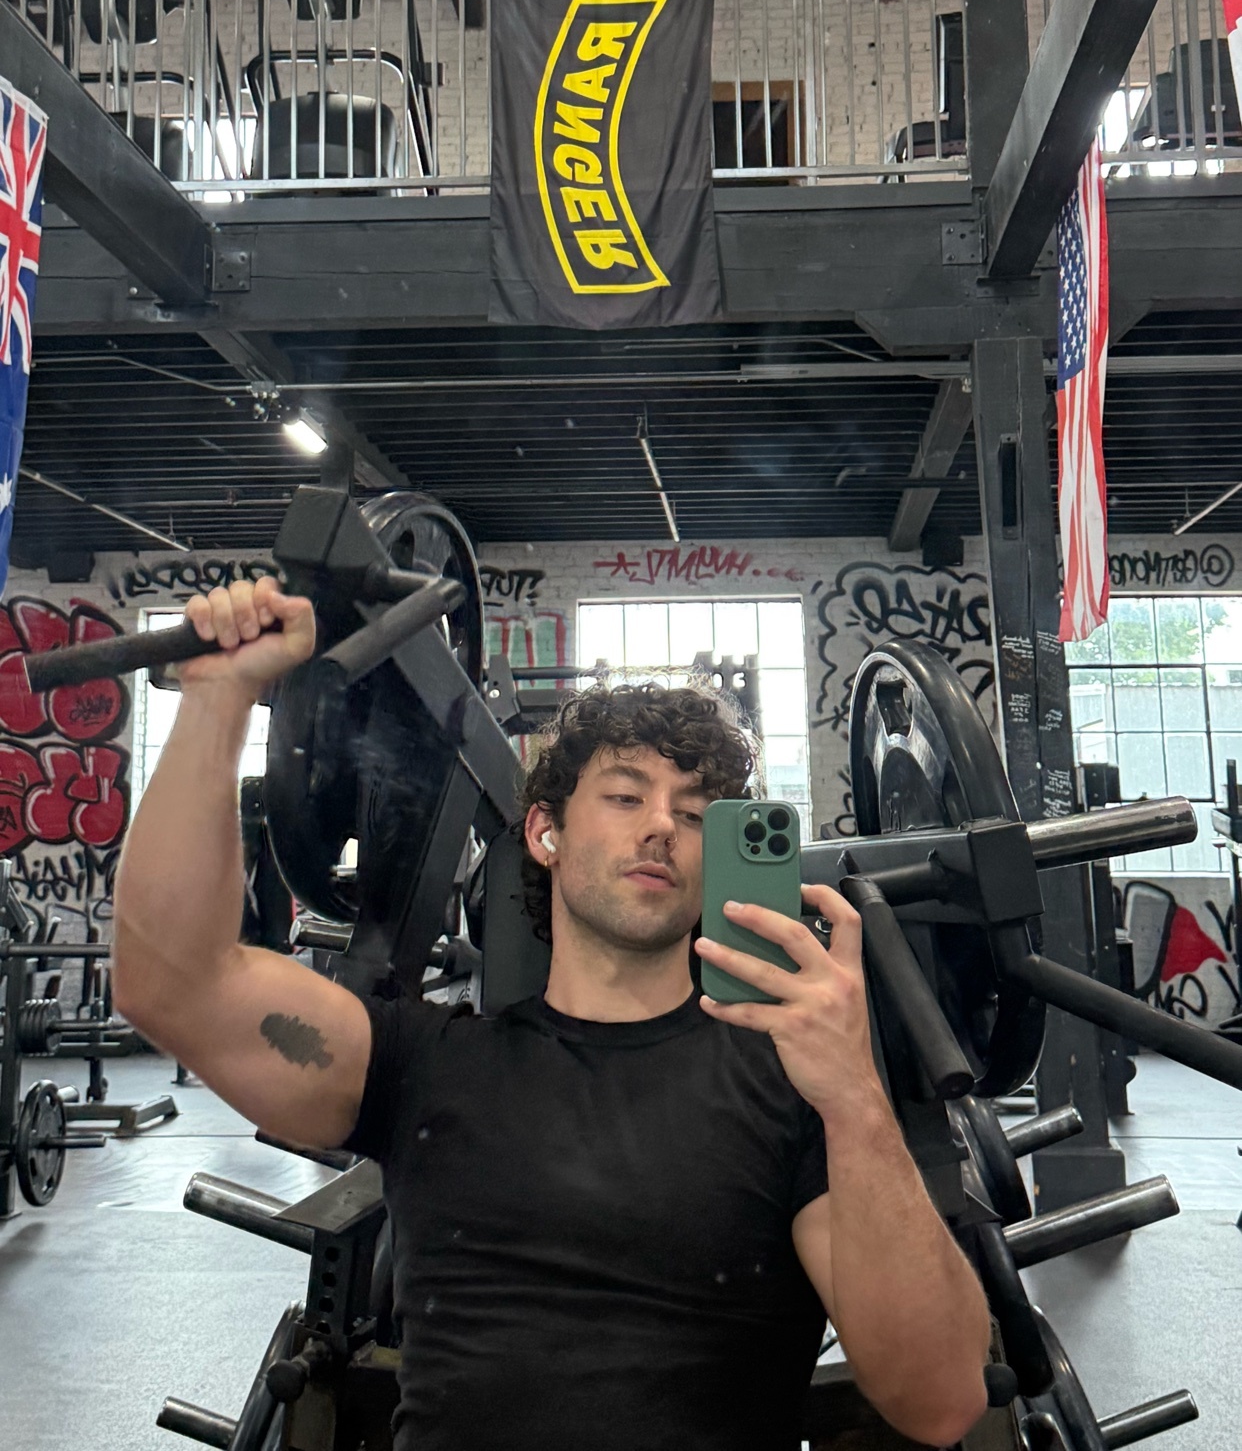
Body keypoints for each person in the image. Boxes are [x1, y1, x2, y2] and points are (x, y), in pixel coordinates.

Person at [113, 575, 991, 1451]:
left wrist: (855, 1095)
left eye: (695, 813)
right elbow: (172, 982)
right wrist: (218, 698)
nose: (662, 825)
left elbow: (941, 1397)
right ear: (545, 832)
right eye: (626, 795)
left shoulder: (795, 1090)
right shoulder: (424, 1063)